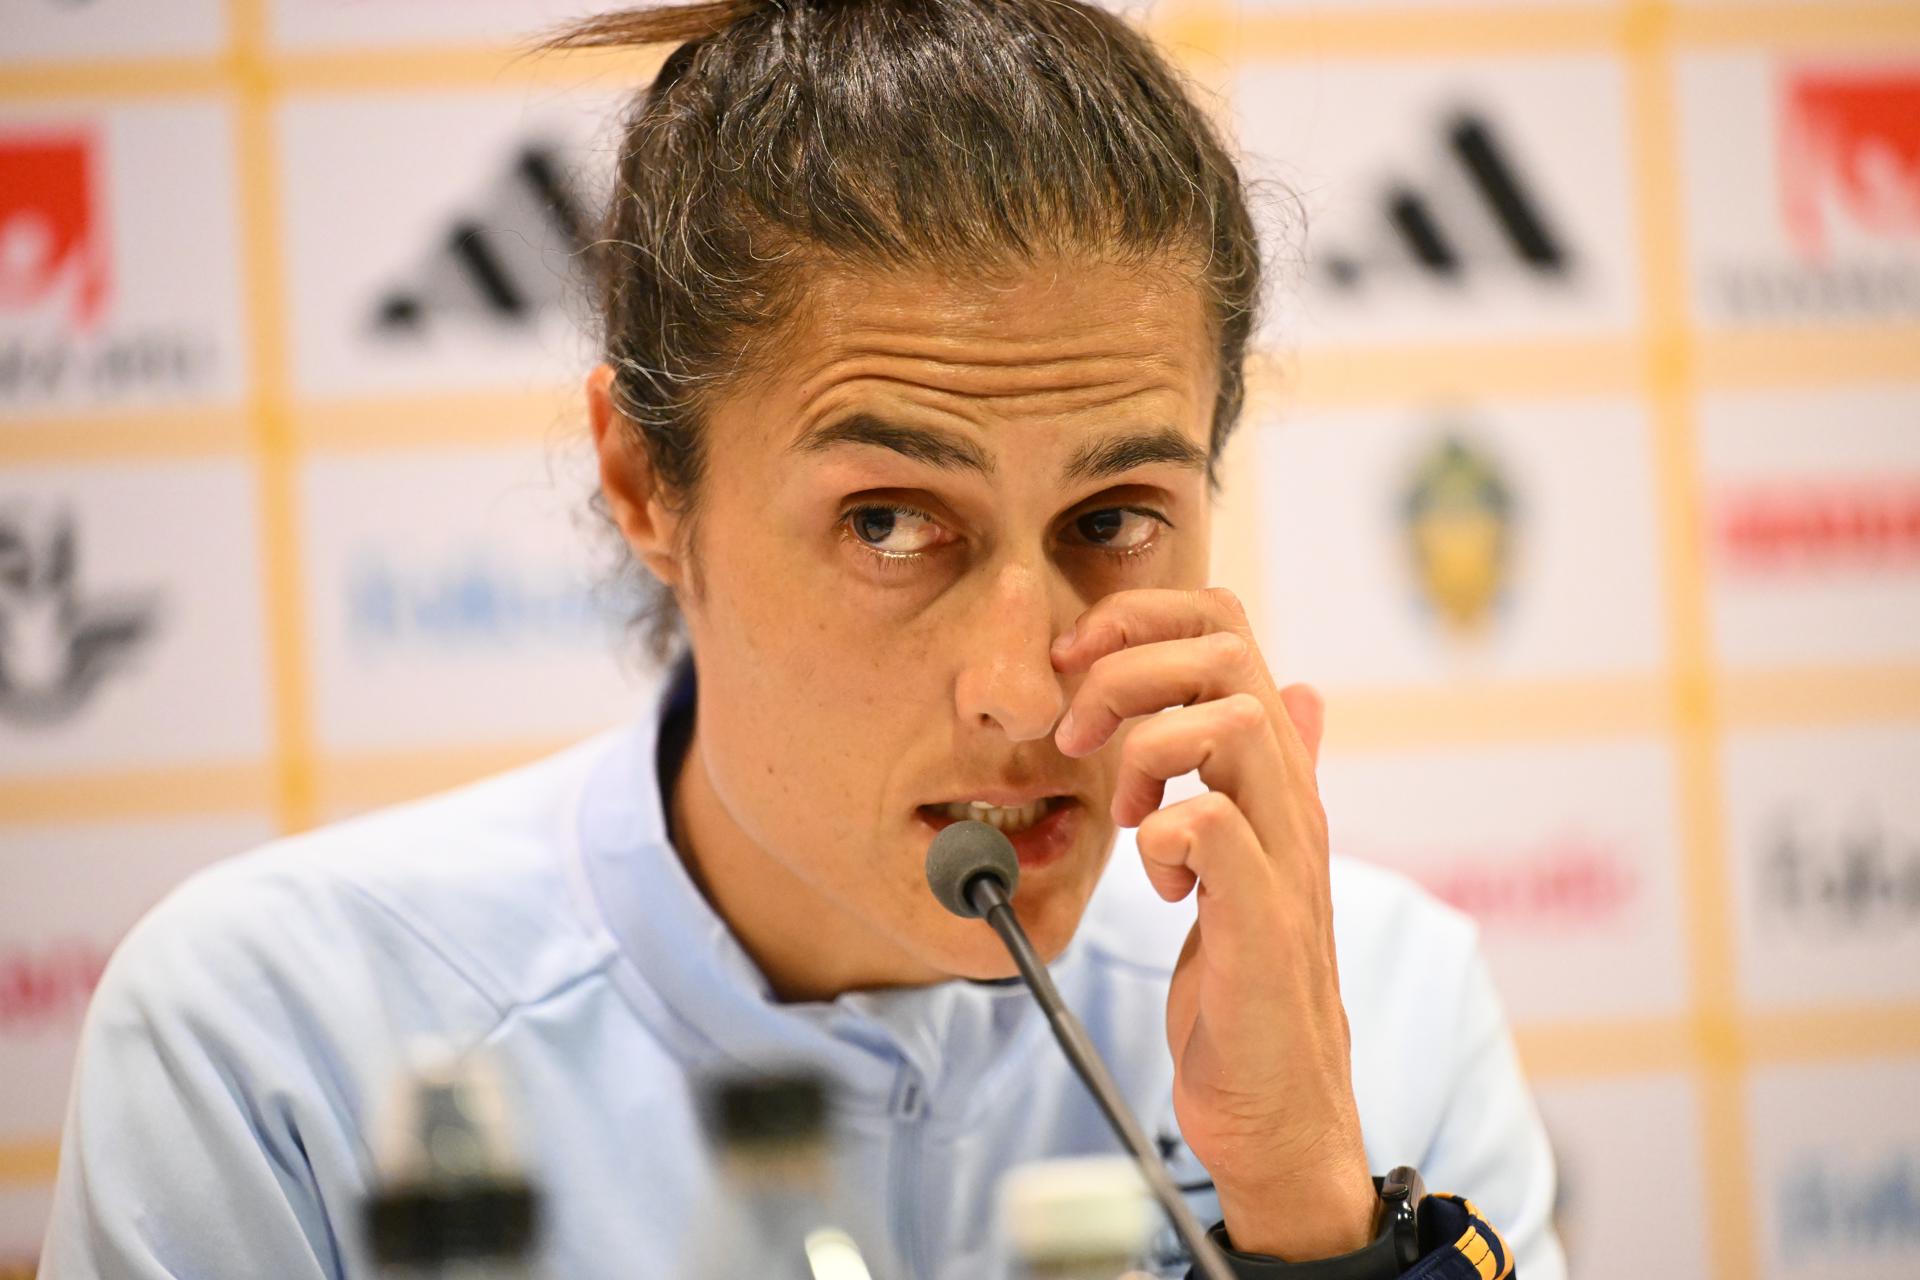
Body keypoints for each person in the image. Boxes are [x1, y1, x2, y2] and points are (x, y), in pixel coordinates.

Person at [37, 1, 1566, 1277]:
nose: (1026, 690)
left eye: (1113, 518)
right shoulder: (277, 1040)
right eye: (889, 522)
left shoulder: (1379, 998)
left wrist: (1312, 1209)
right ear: (645, 480)